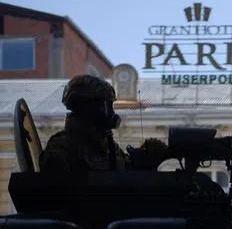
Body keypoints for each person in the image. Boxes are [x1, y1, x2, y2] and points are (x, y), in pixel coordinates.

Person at [39, 75, 167, 175]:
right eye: (107, 106)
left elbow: (124, 171)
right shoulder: (62, 146)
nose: (112, 113)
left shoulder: (106, 144)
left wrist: (143, 158)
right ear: (87, 108)